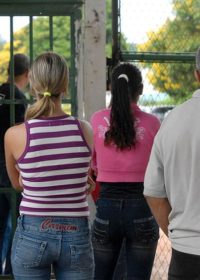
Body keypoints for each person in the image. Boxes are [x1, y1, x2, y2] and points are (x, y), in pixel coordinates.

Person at [5, 51, 94, 279]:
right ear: (65, 86)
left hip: (33, 231)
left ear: (33, 84)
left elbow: (17, 185)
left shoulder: (15, 134)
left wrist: (29, 178)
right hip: (76, 232)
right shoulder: (85, 130)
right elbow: (80, 179)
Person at [90, 62, 160, 280]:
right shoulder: (153, 123)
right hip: (143, 207)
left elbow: (93, 166)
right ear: (140, 90)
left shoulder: (96, 120)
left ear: (112, 87)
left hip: (106, 208)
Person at [144, 47, 200, 280]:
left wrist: (179, 234)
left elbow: (154, 193)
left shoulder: (173, 121)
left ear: (197, 74)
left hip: (186, 255)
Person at [0, 53, 30, 275]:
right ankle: (12, 273)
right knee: (17, 223)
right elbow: (20, 135)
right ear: (27, 73)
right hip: (12, 167)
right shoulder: (19, 98)